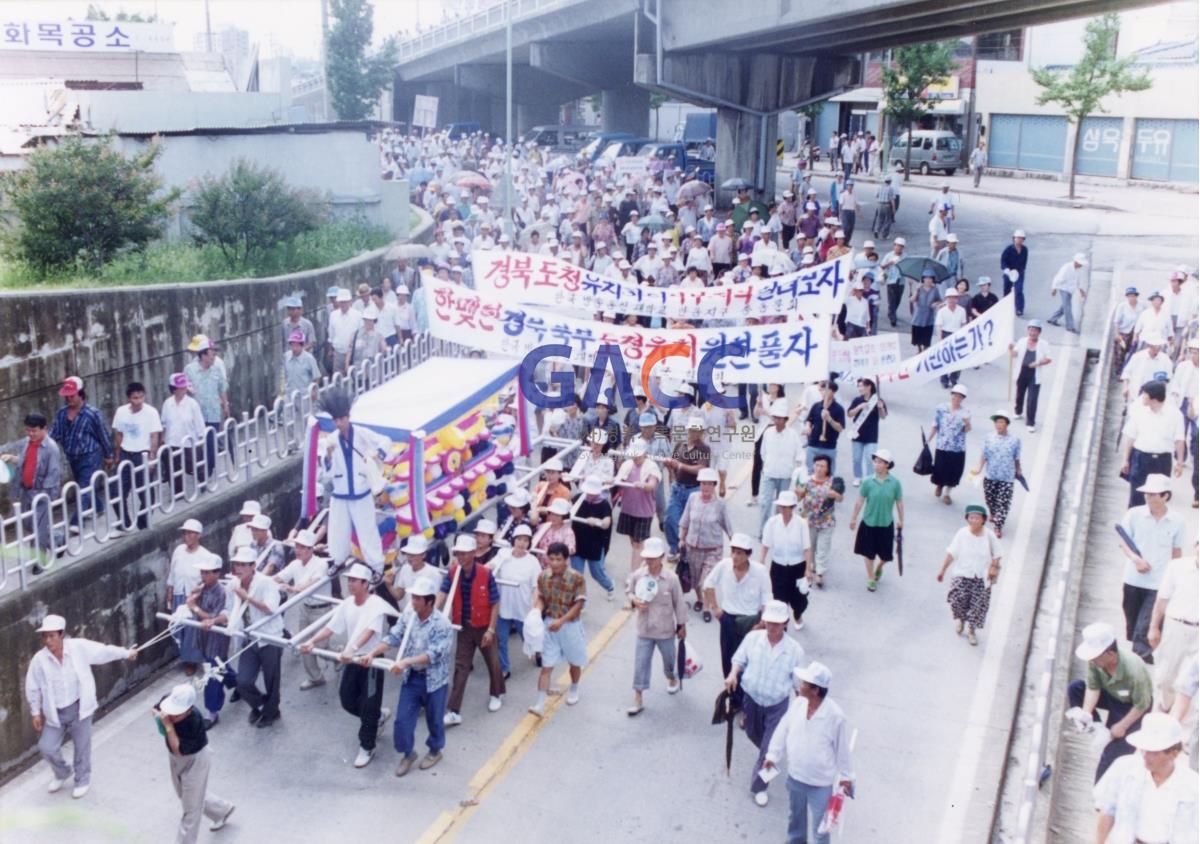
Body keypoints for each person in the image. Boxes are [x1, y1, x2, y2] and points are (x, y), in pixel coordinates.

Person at [24, 613, 137, 799]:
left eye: (51, 635)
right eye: (44, 636)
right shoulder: (39, 660)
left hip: (79, 707)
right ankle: (62, 772)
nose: (47, 640)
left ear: (61, 635)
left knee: (82, 746)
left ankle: (82, 779)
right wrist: (35, 712)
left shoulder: (78, 647)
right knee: (46, 747)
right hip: (55, 712)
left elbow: (104, 652)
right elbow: (33, 686)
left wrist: (126, 653)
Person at [299, 563, 392, 768]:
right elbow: (331, 627)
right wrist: (312, 641)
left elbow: (370, 630)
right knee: (347, 699)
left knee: (368, 703)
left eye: (354, 581)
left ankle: (367, 746)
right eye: (349, 580)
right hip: (352, 658)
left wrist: (353, 648)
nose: (350, 584)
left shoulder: (376, 604)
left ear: (366, 584)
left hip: (370, 659)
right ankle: (376, 717)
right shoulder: (348, 603)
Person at [362, 576, 454, 777]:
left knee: (435, 720)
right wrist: (372, 653)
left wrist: (405, 662)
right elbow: (393, 637)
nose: (413, 602)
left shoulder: (443, 624)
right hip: (412, 679)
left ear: (429, 601)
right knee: (402, 722)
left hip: (434, 681)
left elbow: (433, 655)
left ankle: (435, 750)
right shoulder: (408, 616)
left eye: (417, 599)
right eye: (413, 598)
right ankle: (408, 753)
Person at [725, 599, 806, 808]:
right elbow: (739, 660)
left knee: (769, 749)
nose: (772, 627)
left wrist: (803, 710)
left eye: (777, 623)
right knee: (753, 734)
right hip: (751, 700)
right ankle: (772, 752)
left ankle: (760, 786)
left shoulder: (795, 650)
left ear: (786, 623)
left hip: (776, 706)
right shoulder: (753, 639)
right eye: (769, 622)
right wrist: (733, 674)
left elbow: (799, 685)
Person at [762, 662, 854, 844]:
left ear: (815, 690)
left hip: (820, 783)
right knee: (795, 821)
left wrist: (846, 776)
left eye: (804, 683)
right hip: (795, 776)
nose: (800, 685)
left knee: (821, 829)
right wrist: (772, 756)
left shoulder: (836, 717)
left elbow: (842, 750)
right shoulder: (798, 704)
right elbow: (783, 728)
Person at [1092, 712, 1198, 844]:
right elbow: (1107, 811)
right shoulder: (1124, 768)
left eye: (1153, 752)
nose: (1145, 755)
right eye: (1143, 749)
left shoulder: (1193, 785)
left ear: (1174, 754)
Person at [1067, 621, 1153, 781]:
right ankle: (1097, 727)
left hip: (1132, 707)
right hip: (1111, 695)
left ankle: (1102, 789)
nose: (1092, 661)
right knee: (1075, 688)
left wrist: (1122, 726)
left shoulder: (1134, 670)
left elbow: (1142, 704)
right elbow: (1093, 687)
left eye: (1096, 658)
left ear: (1111, 655)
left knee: (1113, 754)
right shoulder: (1096, 663)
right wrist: (1086, 713)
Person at [153, 683, 236, 842]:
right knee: (185, 795)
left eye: (177, 713)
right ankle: (221, 810)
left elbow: (178, 749)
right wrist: (159, 718)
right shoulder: (168, 701)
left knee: (191, 810)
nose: (172, 714)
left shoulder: (193, 722)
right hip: (176, 759)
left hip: (195, 760)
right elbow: (155, 709)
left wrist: (168, 726)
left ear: (189, 709)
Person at [319, 390, 388, 575]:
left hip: (361, 492)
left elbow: (385, 441)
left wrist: (377, 454)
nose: (339, 423)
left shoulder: (362, 434)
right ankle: (338, 559)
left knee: (367, 531)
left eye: (342, 419)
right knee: (338, 530)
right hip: (340, 493)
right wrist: (329, 456)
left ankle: (377, 567)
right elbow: (326, 472)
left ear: (348, 417)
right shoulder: (330, 440)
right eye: (336, 420)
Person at [439, 535, 505, 724]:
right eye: (458, 553)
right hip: (464, 626)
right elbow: (443, 593)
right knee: (461, 666)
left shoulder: (486, 574)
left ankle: (497, 694)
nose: (461, 557)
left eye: (464, 553)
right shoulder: (453, 573)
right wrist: (434, 613)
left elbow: (494, 602)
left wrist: (491, 629)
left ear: (474, 554)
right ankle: (454, 709)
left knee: (493, 662)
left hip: (484, 625)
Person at [1116, 475, 1184, 660]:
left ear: (1165, 496)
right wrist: (1135, 559)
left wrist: (1176, 578)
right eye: (1147, 494)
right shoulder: (1134, 515)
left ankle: (1140, 655)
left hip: (1158, 582)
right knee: (1132, 618)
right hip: (1133, 578)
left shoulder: (1177, 521)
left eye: (1154, 495)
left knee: (1146, 623)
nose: (1149, 498)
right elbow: (1124, 541)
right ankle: (1139, 648)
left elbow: (1176, 551)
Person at [703, 532, 771, 709]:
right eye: (733, 551)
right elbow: (708, 584)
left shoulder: (760, 572)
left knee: (749, 664)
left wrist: (762, 624)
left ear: (748, 554)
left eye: (740, 553)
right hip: (728, 619)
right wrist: (716, 609)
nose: (735, 556)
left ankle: (747, 703)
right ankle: (734, 699)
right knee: (728, 660)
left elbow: (767, 599)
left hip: (751, 623)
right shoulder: (724, 566)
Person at [625, 537, 687, 716]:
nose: (649, 561)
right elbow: (629, 592)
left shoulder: (671, 578)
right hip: (644, 628)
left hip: (665, 629)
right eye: (647, 557)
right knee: (641, 663)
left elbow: (679, 603)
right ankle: (638, 697)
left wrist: (681, 625)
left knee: (669, 659)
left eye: (653, 557)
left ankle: (671, 677)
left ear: (661, 557)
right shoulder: (638, 575)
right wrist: (635, 600)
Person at [529, 541, 588, 716]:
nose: (554, 563)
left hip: (570, 626)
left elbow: (579, 604)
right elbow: (540, 597)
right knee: (546, 666)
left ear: (566, 560)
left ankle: (574, 688)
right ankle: (540, 703)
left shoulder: (577, 578)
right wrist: (536, 611)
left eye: (558, 559)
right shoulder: (543, 576)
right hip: (550, 625)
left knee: (574, 662)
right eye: (552, 559)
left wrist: (561, 621)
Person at [227, 546, 283, 729]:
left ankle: (271, 712)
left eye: (243, 565)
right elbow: (231, 610)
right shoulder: (234, 584)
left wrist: (248, 598)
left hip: (269, 638)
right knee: (242, 681)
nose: (239, 569)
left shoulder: (266, 583)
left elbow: (271, 608)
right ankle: (260, 704)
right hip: (248, 638)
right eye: (237, 565)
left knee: (271, 680)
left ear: (253, 566)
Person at [50, 376, 115, 525]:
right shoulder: (62, 414)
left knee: (84, 487)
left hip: (90, 455)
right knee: (84, 485)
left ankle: (76, 523)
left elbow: (102, 434)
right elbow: (54, 434)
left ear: (80, 394)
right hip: (72, 456)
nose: (69, 399)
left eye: (72, 396)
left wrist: (108, 455)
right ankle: (98, 507)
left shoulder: (92, 413)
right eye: (67, 396)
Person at [936, 504, 1002, 646]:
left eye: (977, 518)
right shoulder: (962, 533)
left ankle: (972, 631)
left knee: (976, 606)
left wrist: (994, 567)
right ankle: (960, 619)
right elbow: (951, 553)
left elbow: (997, 554)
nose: (973, 520)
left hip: (981, 577)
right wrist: (942, 570)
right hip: (962, 573)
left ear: (983, 520)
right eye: (971, 517)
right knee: (956, 600)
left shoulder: (989, 535)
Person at [1, 412, 64, 559]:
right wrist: (11, 458)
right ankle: (58, 539)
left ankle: (39, 561)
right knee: (28, 524)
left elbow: (53, 475)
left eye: (34, 430)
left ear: (44, 429)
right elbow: (25, 462)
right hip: (26, 491)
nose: (31, 434)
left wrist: (46, 496)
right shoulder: (26, 443)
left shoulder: (51, 448)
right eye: (28, 430)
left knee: (39, 528)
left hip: (41, 493)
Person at [274, 529, 331, 690]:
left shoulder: (321, 564)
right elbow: (280, 576)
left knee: (321, 647)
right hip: (304, 608)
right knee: (305, 644)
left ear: (311, 549)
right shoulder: (295, 564)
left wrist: (294, 589)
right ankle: (315, 677)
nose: (297, 550)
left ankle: (338, 658)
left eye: (302, 547)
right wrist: (266, 582)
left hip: (321, 610)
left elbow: (313, 582)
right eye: (297, 546)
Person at [184, 557, 235, 729]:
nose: (203, 576)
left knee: (212, 673)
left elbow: (213, 618)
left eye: (207, 572)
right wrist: (194, 596)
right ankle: (240, 684)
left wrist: (194, 607)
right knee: (220, 667)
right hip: (204, 638)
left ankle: (211, 711)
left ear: (216, 573)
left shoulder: (221, 592)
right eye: (202, 572)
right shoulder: (203, 588)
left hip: (217, 638)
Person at [1148, 548, 1198, 714]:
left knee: (1190, 681)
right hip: (1175, 627)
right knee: (1165, 676)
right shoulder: (1177, 567)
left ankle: (1180, 726)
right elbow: (1162, 600)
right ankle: (1163, 710)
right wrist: (1154, 627)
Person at [1120, 380, 1186, 508]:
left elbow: (1179, 440)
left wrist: (1180, 463)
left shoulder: (1175, 415)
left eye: (1145, 394)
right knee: (1136, 495)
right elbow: (1130, 438)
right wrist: (1125, 460)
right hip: (1140, 458)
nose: (1142, 397)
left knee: (1158, 498)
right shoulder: (1139, 412)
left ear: (1154, 398)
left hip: (1162, 461)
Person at [166, 519, 219, 674]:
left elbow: (209, 580)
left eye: (190, 533)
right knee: (177, 625)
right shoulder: (178, 550)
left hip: (194, 597)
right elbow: (173, 572)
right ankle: (182, 655)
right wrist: (170, 591)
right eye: (185, 533)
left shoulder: (205, 555)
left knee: (191, 630)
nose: (186, 536)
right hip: (179, 593)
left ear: (198, 535)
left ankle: (191, 660)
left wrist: (199, 592)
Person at [679, 467, 733, 619]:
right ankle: (700, 599)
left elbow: (727, 526)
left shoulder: (720, 505)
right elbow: (685, 520)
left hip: (712, 549)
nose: (706, 487)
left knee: (706, 581)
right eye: (703, 484)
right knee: (695, 580)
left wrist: (735, 546)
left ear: (714, 485)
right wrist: (681, 539)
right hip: (693, 547)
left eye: (709, 484)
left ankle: (708, 608)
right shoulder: (693, 498)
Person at [490, 524, 541, 679]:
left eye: (525, 540)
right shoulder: (503, 555)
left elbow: (536, 586)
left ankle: (537, 653)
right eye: (519, 539)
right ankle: (504, 668)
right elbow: (490, 567)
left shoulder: (533, 562)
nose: (521, 543)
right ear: (514, 540)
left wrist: (535, 608)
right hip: (503, 607)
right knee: (501, 641)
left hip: (522, 608)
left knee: (528, 636)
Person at [849, 448, 904, 592]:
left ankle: (879, 567)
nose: (876, 464)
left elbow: (899, 502)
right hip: (869, 523)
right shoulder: (867, 481)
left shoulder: (895, 483)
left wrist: (901, 519)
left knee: (886, 555)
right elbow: (860, 501)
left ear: (887, 465)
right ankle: (871, 577)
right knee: (868, 553)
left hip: (886, 523)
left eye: (880, 462)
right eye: (875, 461)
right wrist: (853, 518)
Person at [111, 381, 162, 531]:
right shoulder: (121, 412)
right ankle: (125, 522)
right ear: (129, 398)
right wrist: (118, 454)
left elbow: (154, 436)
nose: (138, 401)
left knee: (146, 492)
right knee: (117, 492)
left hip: (143, 454)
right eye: (135, 398)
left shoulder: (151, 412)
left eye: (141, 397)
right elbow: (119, 434)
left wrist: (152, 458)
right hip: (126, 454)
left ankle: (142, 521)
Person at [760, 491, 813, 631]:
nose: (783, 509)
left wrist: (808, 569)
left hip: (797, 567)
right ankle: (782, 627)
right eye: (781, 506)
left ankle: (797, 614)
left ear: (793, 507)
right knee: (779, 600)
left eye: (786, 506)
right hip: (778, 567)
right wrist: (761, 563)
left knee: (799, 600)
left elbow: (807, 548)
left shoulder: (801, 523)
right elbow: (765, 545)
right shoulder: (772, 522)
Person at [663, 417, 711, 561]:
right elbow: (673, 464)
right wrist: (670, 468)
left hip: (694, 490)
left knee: (690, 523)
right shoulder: (680, 445)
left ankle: (687, 551)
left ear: (701, 432)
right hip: (678, 488)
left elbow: (701, 468)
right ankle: (674, 547)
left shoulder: (704, 449)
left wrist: (681, 466)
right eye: (691, 430)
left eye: (696, 431)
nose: (692, 433)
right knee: (670, 519)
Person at [183, 339, 229, 481]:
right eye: (211, 354)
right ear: (202, 355)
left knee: (210, 445)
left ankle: (207, 472)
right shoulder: (190, 370)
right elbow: (184, 389)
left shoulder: (216, 369)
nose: (213, 356)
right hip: (196, 415)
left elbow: (222, 388)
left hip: (213, 412)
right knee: (196, 447)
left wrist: (225, 405)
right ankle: (200, 471)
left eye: (214, 353)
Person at [797, 455, 842, 589]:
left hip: (826, 521)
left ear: (828, 468)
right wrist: (797, 491)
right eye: (817, 465)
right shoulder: (807, 481)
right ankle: (809, 569)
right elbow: (800, 496)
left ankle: (820, 573)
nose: (819, 468)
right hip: (809, 521)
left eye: (822, 466)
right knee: (810, 547)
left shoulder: (834, 482)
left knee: (823, 547)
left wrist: (836, 495)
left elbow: (840, 498)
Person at [975, 410, 1022, 538]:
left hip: (1007, 477)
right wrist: (979, 468)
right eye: (996, 422)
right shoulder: (988, 438)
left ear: (1007, 424)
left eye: (1001, 422)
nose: (998, 425)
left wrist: (1018, 470)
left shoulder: (1015, 440)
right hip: (991, 475)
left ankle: (998, 526)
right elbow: (984, 455)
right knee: (990, 499)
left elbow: (1016, 457)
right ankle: (993, 513)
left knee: (1003, 502)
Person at [759, 398, 804, 528]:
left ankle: (778, 530)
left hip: (785, 475)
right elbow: (763, 453)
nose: (777, 421)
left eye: (780, 418)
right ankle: (763, 531)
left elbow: (800, 454)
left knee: (782, 506)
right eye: (775, 418)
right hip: (769, 473)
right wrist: (765, 466)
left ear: (785, 419)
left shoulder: (793, 435)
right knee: (765, 503)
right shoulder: (767, 433)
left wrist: (798, 471)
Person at [160, 372, 206, 495]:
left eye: (184, 387)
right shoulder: (167, 404)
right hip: (172, 441)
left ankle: (202, 484)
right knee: (173, 468)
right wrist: (163, 440)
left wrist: (200, 441)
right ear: (174, 389)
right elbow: (164, 423)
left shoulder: (192, 404)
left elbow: (199, 424)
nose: (183, 389)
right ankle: (177, 491)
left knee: (194, 466)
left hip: (189, 441)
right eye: (180, 387)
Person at [614, 439, 660, 559]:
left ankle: (634, 574)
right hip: (628, 509)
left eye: (638, 454)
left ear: (644, 453)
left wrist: (644, 485)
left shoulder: (652, 466)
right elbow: (618, 480)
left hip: (644, 512)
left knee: (637, 544)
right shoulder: (627, 465)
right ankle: (643, 563)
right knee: (633, 542)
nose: (635, 457)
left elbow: (652, 485)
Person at [930, 384, 972, 505]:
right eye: (955, 395)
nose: (957, 399)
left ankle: (947, 493)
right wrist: (928, 440)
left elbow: (966, 430)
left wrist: (967, 423)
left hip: (957, 448)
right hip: (942, 445)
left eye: (960, 397)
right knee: (940, 469)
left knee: (954, 472)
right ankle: (939, 485)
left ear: (963, 399)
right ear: (951, 395)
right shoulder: (941, 408)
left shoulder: (966, 412)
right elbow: (935, 425)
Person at [1010, 321, 1051, 433]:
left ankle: (1030, 422)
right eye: (1031, 329)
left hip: (1034, 373)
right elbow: (1015, 355)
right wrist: (1011, 349)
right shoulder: (1022, 341)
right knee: (1020, 394)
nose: (1032, 332)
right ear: (1028, 330)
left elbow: (1048, 359)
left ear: (1039, 332)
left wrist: (1038, 363)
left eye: (1035, 330)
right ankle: (1018, 411)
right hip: (1022, 371)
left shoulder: (1044, 344)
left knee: (1032, 399)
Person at [846, 378, 886, 487]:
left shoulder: (877, 400)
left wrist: (881, 407)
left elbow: (883, 416)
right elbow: (849, 414)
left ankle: (869, 478)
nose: (859, 388)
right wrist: (859, 407)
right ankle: (857, 477)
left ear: (869, 387)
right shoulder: (857, 400)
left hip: (871, 435)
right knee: (856, 458)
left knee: (870, 459)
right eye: (858, 386)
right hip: (857, 434)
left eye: (861, 386)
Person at [803, 381, 845, 474]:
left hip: (829, 446)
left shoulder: (839, 409)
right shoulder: (816, 406)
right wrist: (808, 426)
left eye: (826, 390)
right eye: (821, 390)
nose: (823, 392)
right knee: (810, 471)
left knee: (828, 474)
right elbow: (809, 419)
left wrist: (829, 419)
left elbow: (840, 428)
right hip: (813, 444)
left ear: (833, 392)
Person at [934, 289, 968, 388]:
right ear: (946, 299)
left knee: (958, 359)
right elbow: (939, 326)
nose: (952, 300)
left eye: (954, 297)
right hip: (945, 334)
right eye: (950, 298)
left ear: (957, 299)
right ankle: (944, 380)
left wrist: (963, 337)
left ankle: (954, 379)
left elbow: (963, 324)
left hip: (957, 335)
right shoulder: (942, 311)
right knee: (944, 359)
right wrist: (940, 340)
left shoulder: (962, 310)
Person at [1048, 252, 1089, 334]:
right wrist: (1054, 288)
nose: (1081, 265)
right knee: (1068, 307)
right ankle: (1070, 326)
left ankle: (1052, 319)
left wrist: (1082, 291)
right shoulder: (1067, 267)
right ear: (1076, 262)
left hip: (1071, 290)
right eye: (1080, 263)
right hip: (1063, 289)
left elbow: (1079, 281)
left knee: (1064, 307)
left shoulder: (1078, 270)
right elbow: (1058, 278)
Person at [910, 269, 944, 352]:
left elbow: (939, 300)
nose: (928, 280)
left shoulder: (935, 289)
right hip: (918, 316)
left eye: (930, 278)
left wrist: (935, 304)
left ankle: (925, 350)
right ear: (923, 279)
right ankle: (919, 349)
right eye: (926, 278)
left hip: (929, 316)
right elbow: (912, 300)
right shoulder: (919, 288)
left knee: (927, 336)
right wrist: (916, 290)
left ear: (933, 279)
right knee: (917, 335)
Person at [282, 331, 322, 398]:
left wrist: (314, 391)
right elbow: (285, 375)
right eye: (292, 345)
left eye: (297, 346)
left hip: (305, 396)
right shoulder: (286, 356)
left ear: (302, 346)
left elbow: (317, 377)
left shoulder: (309, 359)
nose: (294, 348)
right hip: (290, 396)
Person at [1000, 230, 1029, 316]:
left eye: (1021, 238)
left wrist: (1022, 270)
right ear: (1014, 239)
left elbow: (1024, 261)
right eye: (1018, 238)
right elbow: (1003, 260)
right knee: (1007, 289)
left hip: (1019, 272)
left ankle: (1019, 308)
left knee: (1019, 289)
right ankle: (1006, 306)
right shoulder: (1008, 249)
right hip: (1009, 271)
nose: (1019, 240)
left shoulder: (1025, 249)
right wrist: (1007, 270)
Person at [871, 175, 896, 240]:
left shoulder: (879, 187)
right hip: (887, 205)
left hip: (879, 205)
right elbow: (892, 200)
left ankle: (877, 230)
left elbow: (876, 196)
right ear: (890, 181)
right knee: (888, 220)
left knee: (880, 220)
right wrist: (893, 209)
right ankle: (884, 234)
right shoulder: (891, 188)